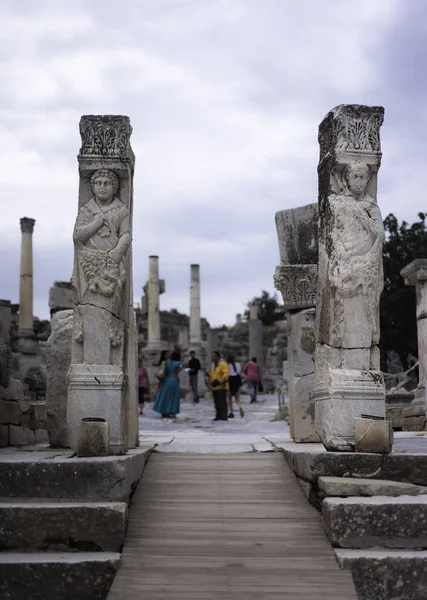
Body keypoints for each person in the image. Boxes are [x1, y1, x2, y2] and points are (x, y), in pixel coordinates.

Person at [153, 350, 184, 418]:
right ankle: (172, 411)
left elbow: (163, 370)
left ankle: (164, 410)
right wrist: (177, 372)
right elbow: (182, 366)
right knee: (174, 396)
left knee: (165, 395)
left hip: (167, 379)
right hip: (174, 379)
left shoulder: (168, 362)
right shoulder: (179, 363)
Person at [207, 351, 229, 421]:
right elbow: (213, 374)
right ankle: (218, 415)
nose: (212, 357)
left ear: (218, 357)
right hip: (214, 386)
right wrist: (209, 375)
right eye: (212, 356)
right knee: (216, 402)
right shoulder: (213, 365)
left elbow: (226, 374)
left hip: (221, 386)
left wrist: (220, 381)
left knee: (222, 401)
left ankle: (224, 416)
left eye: (214, 356)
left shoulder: (222, 364)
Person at [227, 354, 245, 418]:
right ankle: (240, 408)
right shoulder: (238, 365)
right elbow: (239, 372)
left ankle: (231, 412)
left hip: (230, 381)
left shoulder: (227, 365)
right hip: (237, 381)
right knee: (237, 399)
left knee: (229, 399)